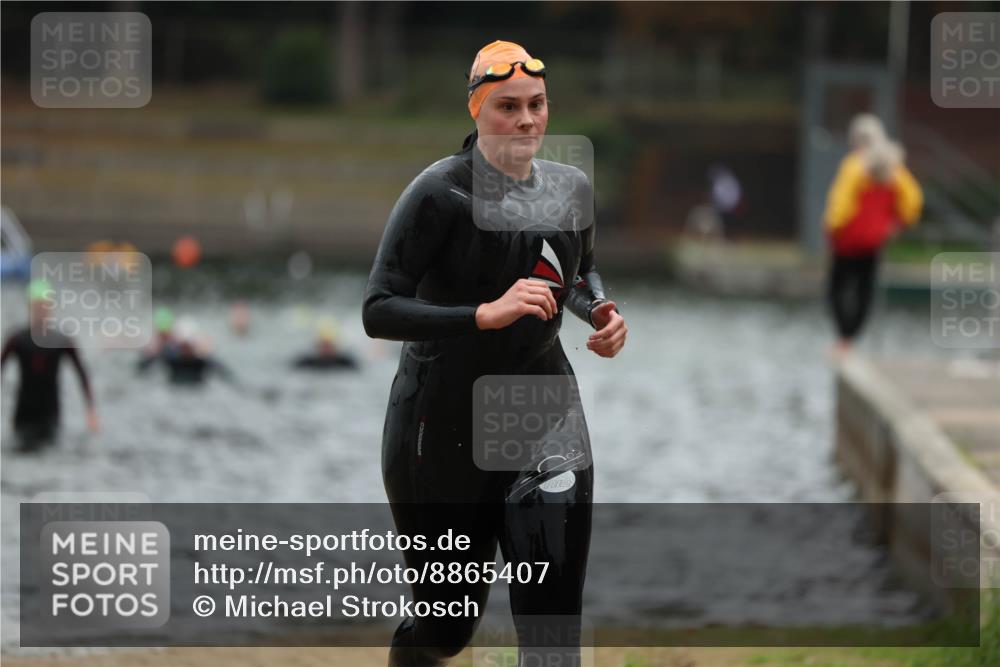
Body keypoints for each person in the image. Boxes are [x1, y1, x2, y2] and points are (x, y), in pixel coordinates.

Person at [362, 40, 627, 667]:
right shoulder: (438, 195)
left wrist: (600, 313)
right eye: (508, 106)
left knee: (553, 633)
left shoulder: (570, 190)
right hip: (440, 421)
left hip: (542, 411)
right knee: (446, 627)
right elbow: (377, 309)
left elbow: (580, 273)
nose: (527, 120)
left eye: (537, 105)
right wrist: (481, 315)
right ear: (478, 110)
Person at [824, 113, 923, 355]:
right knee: (865, 288)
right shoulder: (894, 168)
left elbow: (840, 205)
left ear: (855, 139)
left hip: (847, 241)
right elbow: (913, 200)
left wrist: (831, 228)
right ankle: (852, 337)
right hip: (874, 240)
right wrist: (899, 223)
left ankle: (844, 338)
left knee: (837, 288)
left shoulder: (853, 165)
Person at [1, 280, 99, 450]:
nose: (41, 310)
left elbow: (81, 373)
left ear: (50, 307)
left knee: (51, 455)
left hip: (50, 414)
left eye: (44, 305)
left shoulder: (62, 340)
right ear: (29, 307)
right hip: (23, 413)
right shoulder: (16, 339)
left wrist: (91, 411)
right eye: (37, 306)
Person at [292, 320, 358, 371]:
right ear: (317, 345)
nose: (326, 349)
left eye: (329, 345)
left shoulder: (345, 363)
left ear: (335, 345)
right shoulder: (306, 363)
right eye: (323, 344)